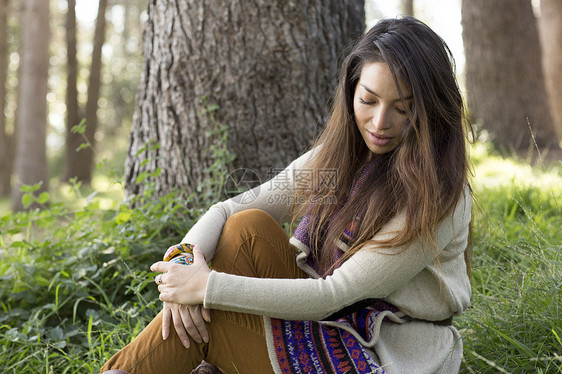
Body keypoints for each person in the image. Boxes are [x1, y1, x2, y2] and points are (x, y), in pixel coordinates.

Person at [101, 16, 473, 374]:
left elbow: (333, 294)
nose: (379, 123)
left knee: (216, 320)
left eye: (403, 109)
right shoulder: (340, 158)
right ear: (351, 91)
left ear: (430, 111)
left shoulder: (438, 196)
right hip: (330, 324)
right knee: (246, 226)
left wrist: (205, 288)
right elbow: (227, 208)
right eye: (369, 101)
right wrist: (183, 269)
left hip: (380, 354)